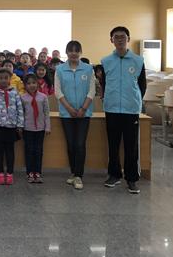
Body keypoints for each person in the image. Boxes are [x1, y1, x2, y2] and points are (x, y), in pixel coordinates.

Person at [101, 26, 147, 194]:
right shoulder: (106, 61)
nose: (119, 39)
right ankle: (114, 175)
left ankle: (132, 179)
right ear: (111, 40)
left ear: (128, 39)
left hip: (131, 110)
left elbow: (142, 85)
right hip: (112, 109)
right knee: (113, 144)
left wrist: (133, 100)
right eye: (116, 37)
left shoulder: (138, 60)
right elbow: (104, 84)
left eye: (123, 36)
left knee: (131, 146)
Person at [55, 40, 95, 191]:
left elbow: (92, 90)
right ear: (66, 52)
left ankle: (79, 176)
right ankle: (73, 172)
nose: (73, 53)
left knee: (80, 144)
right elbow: (58, 91)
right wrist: (69, 108)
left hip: (84, 113)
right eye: (70, 50)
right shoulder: (60, 69)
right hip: (67, 113)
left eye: (76, 50)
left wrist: (83, 108)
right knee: (71, 144)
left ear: (80, 52)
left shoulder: (88, 69)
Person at [0, 68, 24, 185]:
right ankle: (0, 173)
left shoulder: (14, 92)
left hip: (11, 126)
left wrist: (20, 125)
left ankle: (10, 173)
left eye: (6, 78)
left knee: (10, 151)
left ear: (10, 79)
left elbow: (19, 108)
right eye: (1, 78)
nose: (3, 80)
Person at [21, 74, 51, 183]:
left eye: (34, 83)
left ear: (37, 84)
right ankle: (29, 172)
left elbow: (46, 113)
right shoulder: (23, 97)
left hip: (40, 129)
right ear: (25, 85)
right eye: (28, 83)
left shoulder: (43, 97)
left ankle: (38, 172)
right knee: (29, 150)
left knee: (38, 151)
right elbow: (21, 113)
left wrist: (47, 127)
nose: (31, 85)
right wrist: (20, 126)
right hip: (27, 129)